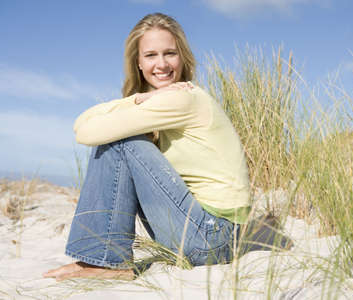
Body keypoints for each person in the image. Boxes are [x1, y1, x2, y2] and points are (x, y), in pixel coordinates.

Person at [43, 12, 251, 281]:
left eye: (170, 53)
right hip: (209, 235)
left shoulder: (183, 99)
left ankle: (106, 261)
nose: (162, 64)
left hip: (213, 237)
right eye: (151, 55)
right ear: (138, 63)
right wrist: (143, 97)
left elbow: (86, 132)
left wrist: (145, 98)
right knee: (120, 136)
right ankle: (98, 259)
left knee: (122, 141)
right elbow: (81, 125)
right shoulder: (162, 101)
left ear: (183, 57)